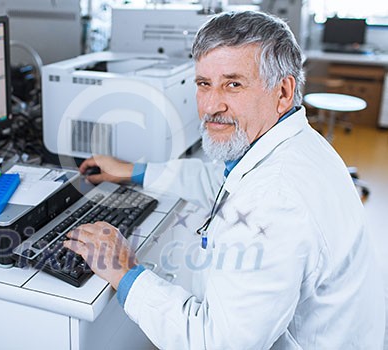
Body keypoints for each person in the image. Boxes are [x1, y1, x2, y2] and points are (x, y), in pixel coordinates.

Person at [63, 10, 385, 349]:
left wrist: (126, 271)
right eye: (204, 84)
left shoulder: (274, 198)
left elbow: (215, 342)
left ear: (283, 92)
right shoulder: (293, 142)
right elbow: (219, 180)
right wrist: (134, 171)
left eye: (234, 84)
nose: (212, 105)